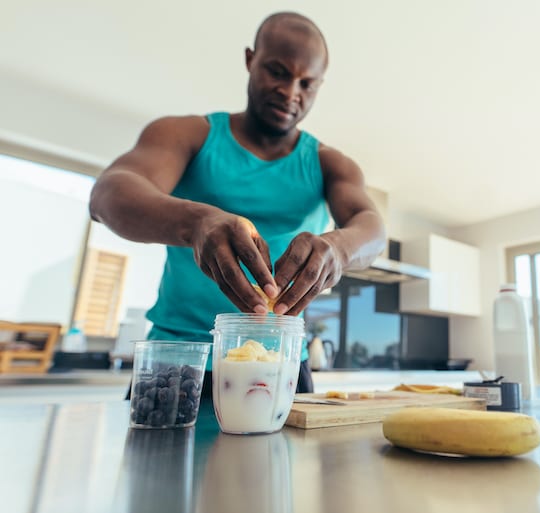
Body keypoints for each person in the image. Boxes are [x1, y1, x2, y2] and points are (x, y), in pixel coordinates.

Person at [89, 11, 386, 397]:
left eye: (307, 83)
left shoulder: (330, 163)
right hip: (180, 360)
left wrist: (340, 249)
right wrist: (195, 221)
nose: (290, 91)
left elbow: (372, 227)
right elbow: (108, 195)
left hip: (279, 364)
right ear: (251, 59)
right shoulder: (188, 134)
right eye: (277, 71)